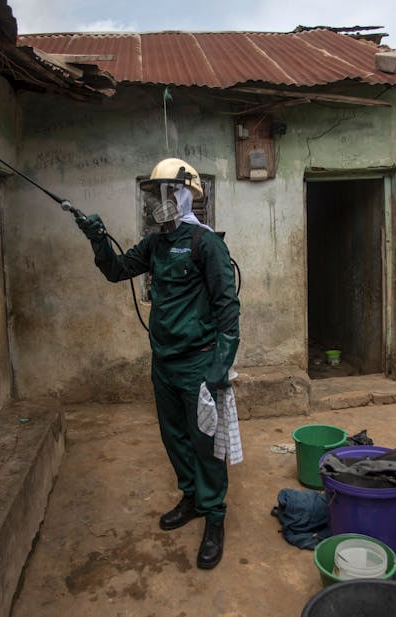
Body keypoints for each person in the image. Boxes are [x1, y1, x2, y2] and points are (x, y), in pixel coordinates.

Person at [76, 157, 240, 569]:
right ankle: (192, 498)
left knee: (205, 443)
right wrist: (98, 239)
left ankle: (214, 516)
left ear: (185, 195)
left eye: (166, 192)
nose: (157, 201)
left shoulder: (206, 244)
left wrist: (220, 367)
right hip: (164, 362)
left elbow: (228, 307)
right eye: (153, 194)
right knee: (174, 437)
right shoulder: (154, 244)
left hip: (198, 363)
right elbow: (117, 270)